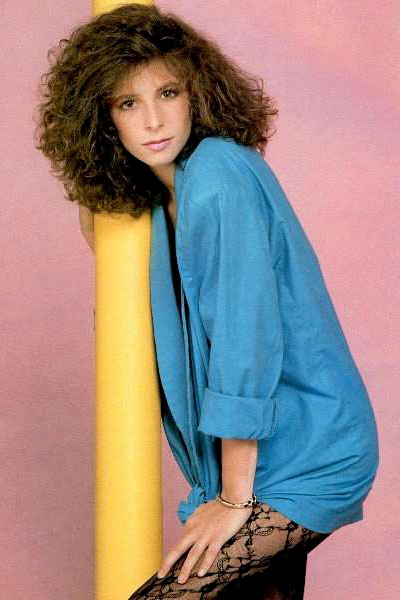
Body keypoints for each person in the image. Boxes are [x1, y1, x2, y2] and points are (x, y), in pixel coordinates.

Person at [34, 4, 379, 598]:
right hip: (248, 464)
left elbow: (244, 341)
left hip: (303, 454)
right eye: (127, 103)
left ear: (197, 92)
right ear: (103, 119)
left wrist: (232, 500)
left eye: (168, 92)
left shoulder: (217, 175)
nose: (153, 120)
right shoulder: (156, 204)